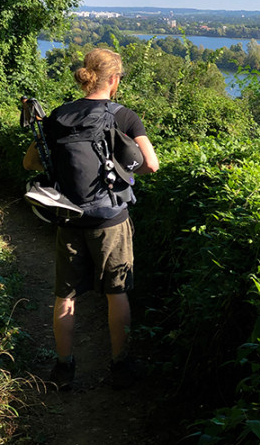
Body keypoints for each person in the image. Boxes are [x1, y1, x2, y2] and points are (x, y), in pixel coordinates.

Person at [23, 48, 159, 390]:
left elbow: (31, 163)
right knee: (117, 293)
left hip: (69, 217)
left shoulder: (58, 116)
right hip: (111, 219)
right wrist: (120, 169)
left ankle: (64, 367)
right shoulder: (124, 116)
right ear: (112, 80)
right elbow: (151, 164)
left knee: (65, 295)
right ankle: (120, 364)